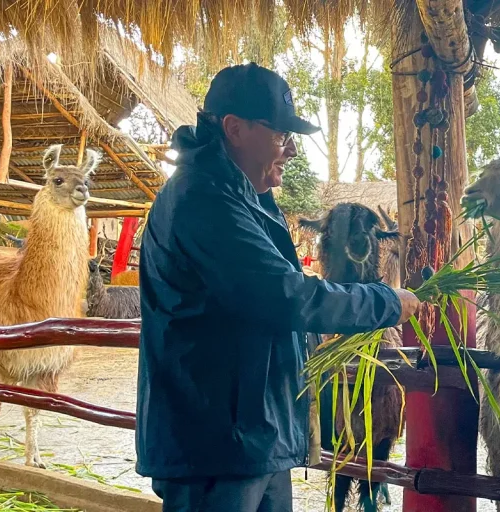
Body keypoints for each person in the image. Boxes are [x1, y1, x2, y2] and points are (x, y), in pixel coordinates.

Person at [134, 62, 420, 512]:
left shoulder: (243, 197)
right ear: (234, 129)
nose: (289, 150)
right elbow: (285, 295)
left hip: (251, 433)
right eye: (280, 134)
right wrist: (386, 302)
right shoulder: (203, 199)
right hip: (215, 442)